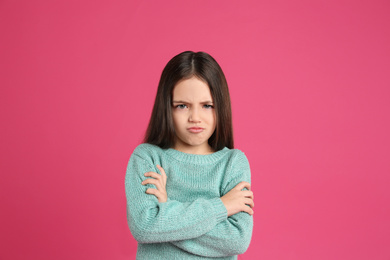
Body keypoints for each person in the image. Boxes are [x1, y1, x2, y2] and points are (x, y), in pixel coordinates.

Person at [125, 51, 254, 259]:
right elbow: (144, 225)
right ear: (167, 107)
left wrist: (166, 211)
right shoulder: (147, 158)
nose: (195, 117)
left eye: (207, 106)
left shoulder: (233, 163)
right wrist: (221, 206)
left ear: (220, 108)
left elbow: (237, 239)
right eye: (182, 106)